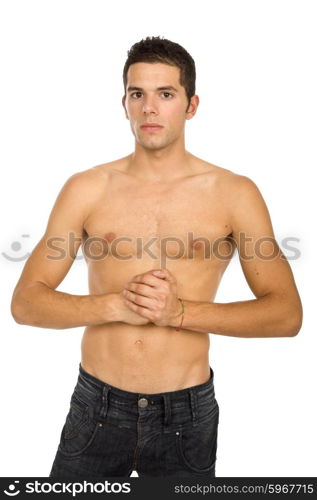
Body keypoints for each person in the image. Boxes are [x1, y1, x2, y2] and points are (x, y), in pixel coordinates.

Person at [11, 36, 302, 478]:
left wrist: (180, 312)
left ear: (191, 105)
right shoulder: (86, 188)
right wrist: (112, 305)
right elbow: (25, 304)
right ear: (124, 103)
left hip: (186, 416)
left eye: (165, 94)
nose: (149, 107)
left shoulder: (234, 193)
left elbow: (286, 315)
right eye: (137, 94)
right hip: (97, 405)